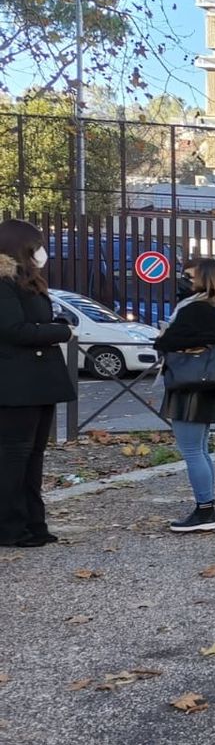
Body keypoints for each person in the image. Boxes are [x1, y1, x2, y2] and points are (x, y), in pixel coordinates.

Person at [0, 218, 76, 547]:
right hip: (16, 384)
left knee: (34, 457)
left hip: (38, 382)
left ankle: (35, 522)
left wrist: (54, 324)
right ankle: (11, 527)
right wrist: (60, 330)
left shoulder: (26, 281)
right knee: (14, 458)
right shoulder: (3, 283)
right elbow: (14, 330)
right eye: (38, 244)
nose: (43, 251)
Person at [156, 257, 215, 533]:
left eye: (189, 276)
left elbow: (167, 342)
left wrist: (165, 336)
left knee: (192, 450)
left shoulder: (196, 309)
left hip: (189, 384)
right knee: (200, 448)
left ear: (205, 279)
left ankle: (205, 510)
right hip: (205, 383)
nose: (183, 280)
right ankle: (206, 505)